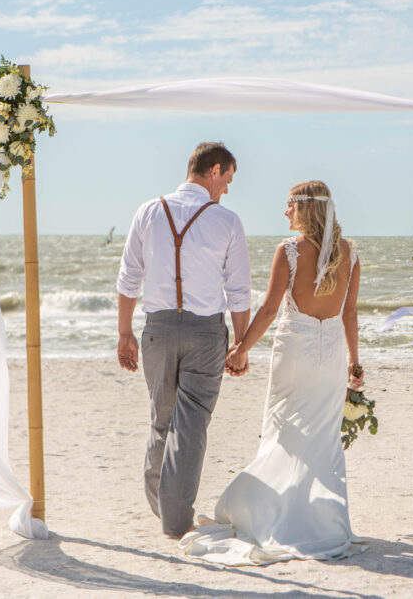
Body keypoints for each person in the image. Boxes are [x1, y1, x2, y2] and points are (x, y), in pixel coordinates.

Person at [179, 180, 367, 565]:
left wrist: (241, 348)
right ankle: (321, 522)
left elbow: (268, 309)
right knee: (322, 440)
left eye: (289, 206)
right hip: (330, 358)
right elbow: (349, 314)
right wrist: (354, 362)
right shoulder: (350, 253)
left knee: (283, 435)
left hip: (294, 353)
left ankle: (271, 515)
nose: (285, 213)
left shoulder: (290, 251)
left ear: (306, 209)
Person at [116, 141, 252, 538]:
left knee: (162, 419)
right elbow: (238, 291)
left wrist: (125, 333)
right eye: (227, 179)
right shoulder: (227, 221)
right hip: (205, 333)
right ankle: (176, 522)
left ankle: (162, 505)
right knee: (190, 425)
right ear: (213, 170)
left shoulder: (147, 211)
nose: (226, 189)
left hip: (156, 330)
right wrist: (240, 345)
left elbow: (128, 279)